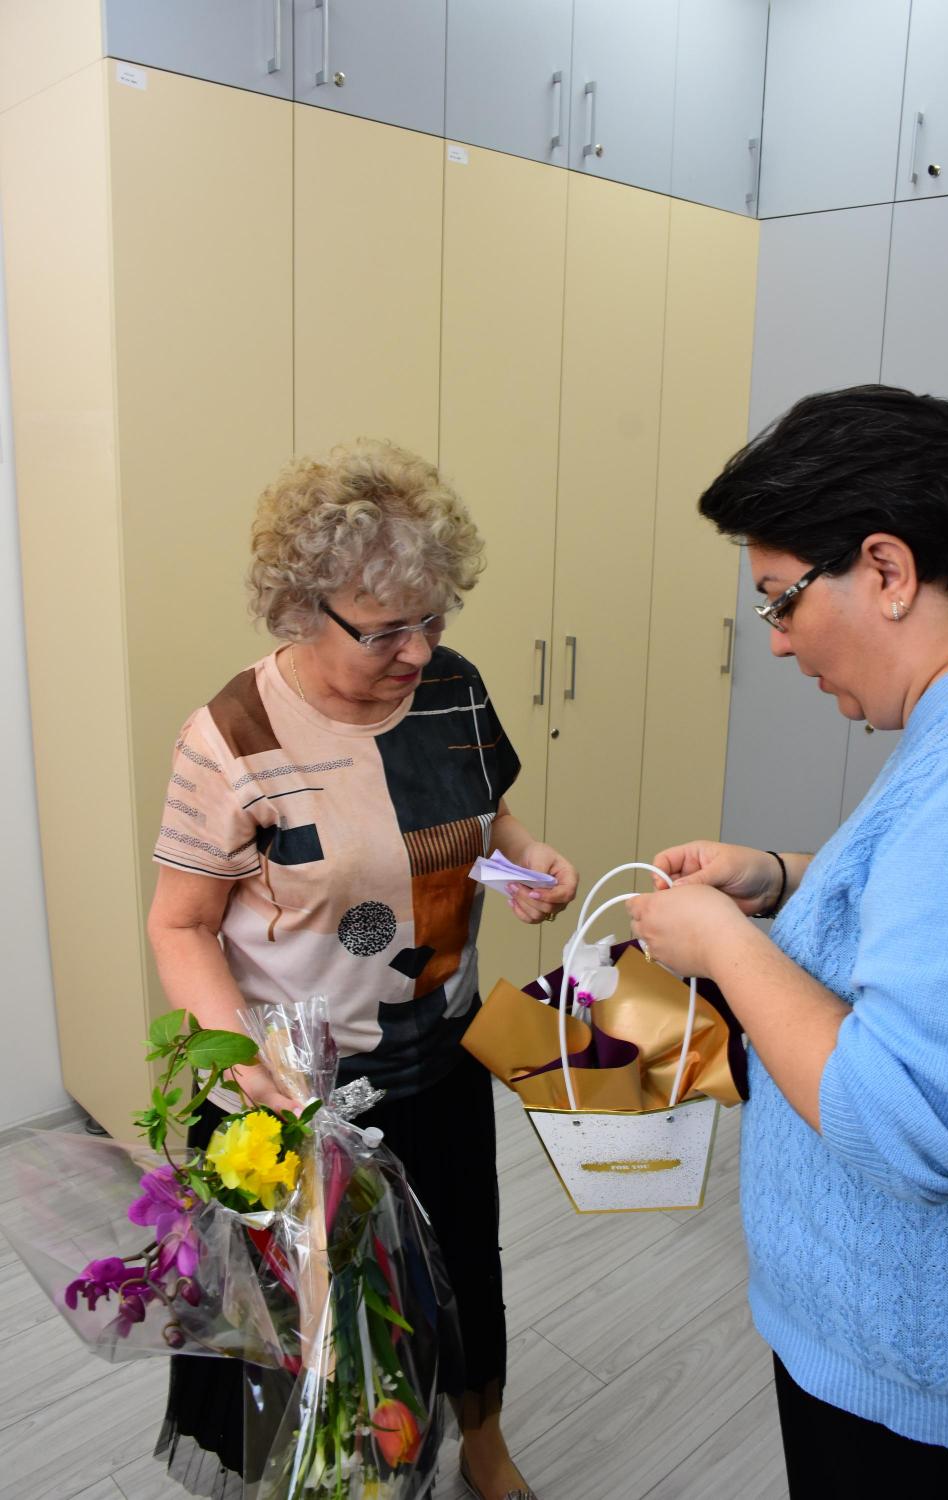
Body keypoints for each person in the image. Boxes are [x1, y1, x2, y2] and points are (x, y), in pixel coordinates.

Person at [147, 438, 578, 1500]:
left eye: (434, 618)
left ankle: (481, 1438)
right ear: (301, 609)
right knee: (299, 1316)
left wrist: (526, 859)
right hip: (293, 1096)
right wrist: (245, 1065)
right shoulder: (232, 737)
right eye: (384, 630)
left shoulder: (454, 689)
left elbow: (483, 812)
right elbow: (181, 925)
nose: (418, 650)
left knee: (460, 1266)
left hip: (439, 1059)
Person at [628, 386, 948, 1496]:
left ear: (886, 570)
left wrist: (723, 948)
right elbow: (945, 926)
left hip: (919, 1392)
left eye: (780, 601)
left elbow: (910, 1120)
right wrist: (782, 878)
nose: (780, 642)